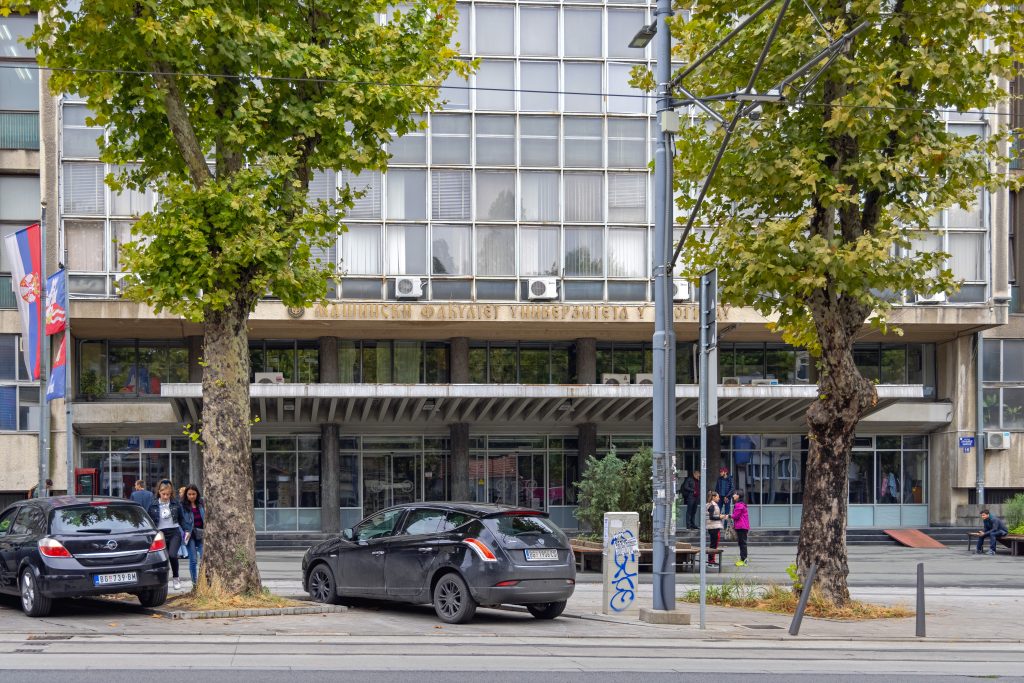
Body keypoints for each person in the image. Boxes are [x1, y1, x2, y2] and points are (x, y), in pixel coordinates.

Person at [148, 482, 184, 590]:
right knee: (162, 558)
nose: (165, 497)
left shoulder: (175, 503)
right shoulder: (153, 504)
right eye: (163, 494)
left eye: (168, 494)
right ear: (159, 492)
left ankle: (176, 577)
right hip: (160, 534)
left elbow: (181, 519)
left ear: (171, 493)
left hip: (174, 532)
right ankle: (161, 582)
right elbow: (149, 520)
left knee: (172, 555)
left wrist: (187, 530)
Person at [180, 484, 206, 585]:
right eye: (189, 494)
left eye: (194, 494)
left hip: (201, 534)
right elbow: (179, 522)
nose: (191, 496)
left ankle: (203, 581)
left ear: (197, 494)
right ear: (186, 495)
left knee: (204, 557)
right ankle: (195, 583)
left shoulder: (201, 503)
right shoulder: (182, 506)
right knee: (193, 560)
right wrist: (184, 533)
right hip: (189, 535)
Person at [730, 491, 750, 566]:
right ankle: (743, 559)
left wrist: (728, 516)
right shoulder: (741, 504)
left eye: (735, 494)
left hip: (741, 526)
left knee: (742, 543)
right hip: (742, 526)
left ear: (738, 496)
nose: (733, 495)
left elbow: (736, 516)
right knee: (742, 543)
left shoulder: (739, 505)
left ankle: (744, 560)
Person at [706, 491, 723, 567]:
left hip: (713, 526)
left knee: (714, 544)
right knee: (713, 545)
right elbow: (711, 517)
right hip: (713, 527)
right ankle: (711, 561)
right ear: (713, 497)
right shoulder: (712, 505)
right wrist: (720, 517)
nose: (719, 498)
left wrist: (719, 516)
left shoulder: (711, 504)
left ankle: (711, 561)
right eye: (718, 497)